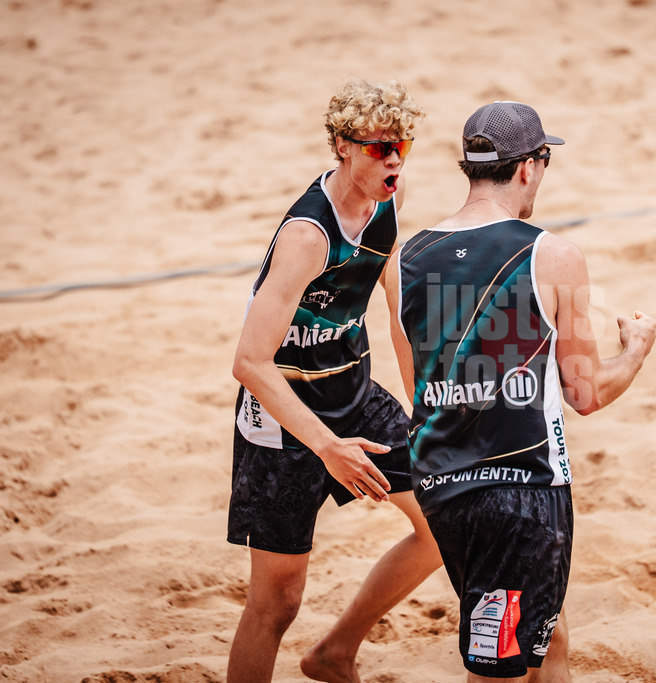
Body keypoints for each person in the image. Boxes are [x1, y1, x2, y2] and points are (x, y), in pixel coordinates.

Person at [384, 101, 656, 681]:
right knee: (495, 669)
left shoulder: (406, 258)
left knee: (547, 633)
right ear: (530, 167)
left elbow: (419, 388)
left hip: (440, 486)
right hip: (522, 493)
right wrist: (636, 348)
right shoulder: (553, 255)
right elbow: (586, 394)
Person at [226, 78, 441, 683]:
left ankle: (335, 652)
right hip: (283, 417)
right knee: (278, 602)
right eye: (378, 148)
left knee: (440, 525)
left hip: (354, 393)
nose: (394, 159)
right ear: (343, 148)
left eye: (402, 145)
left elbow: (400, 316)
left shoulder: (386, 201)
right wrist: (327, 447)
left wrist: (425, 405)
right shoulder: (306, 236)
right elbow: (249, 363)